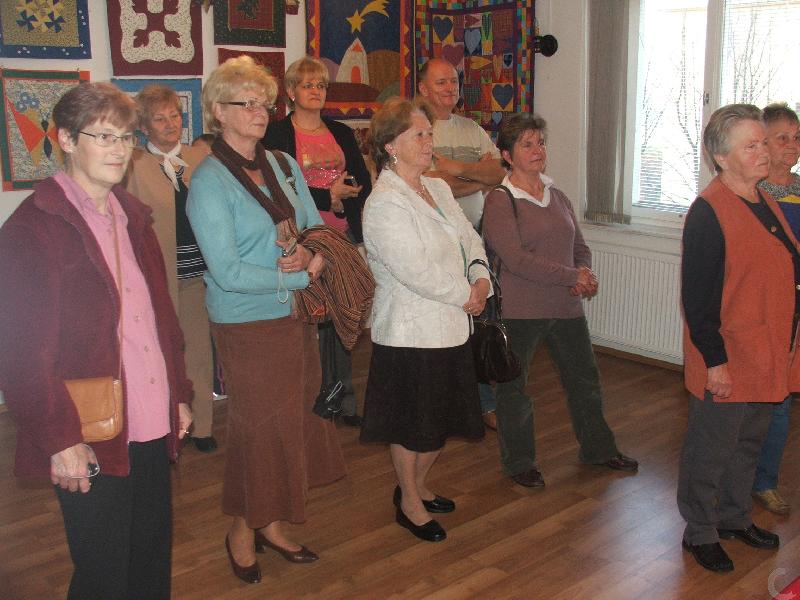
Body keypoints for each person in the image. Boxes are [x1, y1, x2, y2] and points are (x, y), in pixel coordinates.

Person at [0, 82, 193, 599]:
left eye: (126, 137)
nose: (119, 150)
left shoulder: (134, 218)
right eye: (103, 136)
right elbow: (20, 354)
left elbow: (161, 320)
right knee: (103, 572)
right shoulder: (33, 228)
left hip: (148, 414)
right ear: (66, 139)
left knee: (150, 558)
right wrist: (61, 440)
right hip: (86, 427)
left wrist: (178, 393)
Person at [186, 56, 345, 585]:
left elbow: (313, 226)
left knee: (292, 423)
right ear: (218, 112)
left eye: (265, 104)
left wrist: (310, 254)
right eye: (247, 104)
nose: (260, 113)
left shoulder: (282, 163)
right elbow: (228, 273)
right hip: (247, 324)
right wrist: (301, 275)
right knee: (259, 430)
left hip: (295, 317)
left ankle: (272, 524)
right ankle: (242, 529)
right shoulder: (209, 181)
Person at [481, 113, 638, 490]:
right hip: (521, 312)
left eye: (540, 142)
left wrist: (585, 272)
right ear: (507, 155)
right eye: (527, 144)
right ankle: (519, 462)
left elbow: (579, 246)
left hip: (566, 308)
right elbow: (516, 260)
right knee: (514, 390)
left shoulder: (559, 196)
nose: (538, 150)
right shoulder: (500, 201)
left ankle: (598, 450)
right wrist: (572, 276)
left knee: (585, 382)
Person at [360, 97, 489, 543]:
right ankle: (410, 501)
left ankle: (414, 485)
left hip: (452, 324)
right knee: (413, 424)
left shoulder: (438, 189)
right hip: (410, 331)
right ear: (390, 146)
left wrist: (481, 276)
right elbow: (416, 271)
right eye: (419, 134)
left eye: (430, 133)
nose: (429, 141)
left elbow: (470, 238)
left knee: (442, 420)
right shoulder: (384, 204)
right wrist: (468, 295)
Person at [679, 103, 797, 573]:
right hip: (728, 355)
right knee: (710, 450)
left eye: (764, 142)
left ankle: (733, 517)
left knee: (748, 443)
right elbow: (698, 300)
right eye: (752, 146)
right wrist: (715, 362)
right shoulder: (709, 212)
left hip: (766, 351)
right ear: (722, 157)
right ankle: (699, 531)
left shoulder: (763, 198)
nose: (764, 151)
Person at [262, 56, 372, 427]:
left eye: (321, 85)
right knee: (307, 320)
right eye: (308, 85)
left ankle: (343, 401)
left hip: (341, 235)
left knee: (342, 316)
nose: (316, 91)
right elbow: (276, 186)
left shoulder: (340, 131)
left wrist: (346, 192)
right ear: (291, 92)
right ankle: (308, 398)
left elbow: (362, 179)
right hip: (301, 239)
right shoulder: (275, 134)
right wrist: (328, 197)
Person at [126, 85, 217, 453]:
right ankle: (164, 427)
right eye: (159, 119)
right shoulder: (133, 163)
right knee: (160, 355)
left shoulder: (201, 157)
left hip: (197, 276)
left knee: (198, 353)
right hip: (155, 279)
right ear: (144, 127)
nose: (169, 124)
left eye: (175, 116)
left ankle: (203, 427)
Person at [417, 57, 506, 429]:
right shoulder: (417, 130)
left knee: (481, 320)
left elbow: (500, 172)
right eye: (441, 82)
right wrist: (477, 177)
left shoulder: (471, 129)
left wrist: (454, 169)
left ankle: (483, 403)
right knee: (443, 324)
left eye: (453, 81)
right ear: (423, 88)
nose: (450, 88)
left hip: (474, 237)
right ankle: (441, 402)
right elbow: (430, 184)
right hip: (434, 242)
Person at [750, 102, 800, 515]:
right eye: (782, 137)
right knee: (747, 404)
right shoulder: (752, 193)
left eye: (797, 137)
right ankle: (735, 477)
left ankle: (764, 481)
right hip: (756, 314)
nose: (792, 145)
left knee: (781, 401)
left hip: (792, 316)